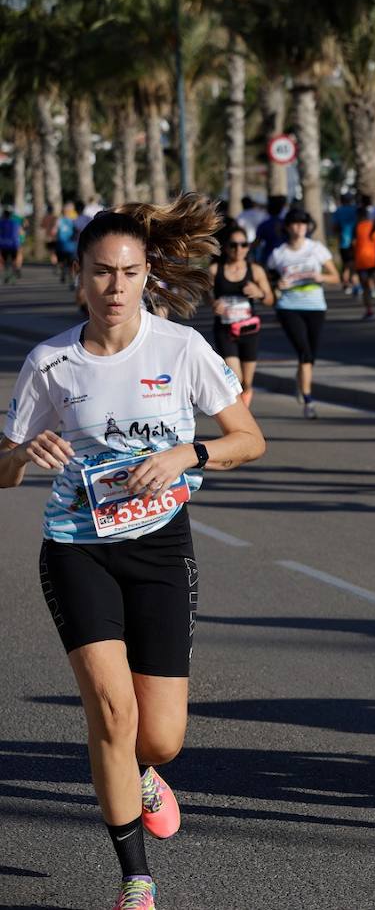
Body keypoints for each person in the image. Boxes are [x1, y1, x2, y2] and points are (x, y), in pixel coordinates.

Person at [0, 194, 266, 910]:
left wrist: (190, 450)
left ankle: (146, 773)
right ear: (78, 276)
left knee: (162, 735)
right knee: (111, 715)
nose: (115, 287)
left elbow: (249, 437)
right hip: (77, 549)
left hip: (159, 549)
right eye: (100, 272)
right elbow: (1, 465)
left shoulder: (180, 349)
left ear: (148, 273)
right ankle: (135, 881)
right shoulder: (50, 363)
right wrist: (23, 451)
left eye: (128, 272)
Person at [266, 208, 341, 419]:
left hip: (315, 306)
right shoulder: (278, 254)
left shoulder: (316, 249)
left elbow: (336, 277)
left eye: (303, 224)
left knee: (310, 355)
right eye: (295, 224)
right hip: (288, 307)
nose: (300, 228)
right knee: (304, 351)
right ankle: (308, 401)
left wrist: (321, 277)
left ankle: (300, 382)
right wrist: (277, 285)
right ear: (288, 227)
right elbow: (268, 280)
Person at [211, 225, 275, 408]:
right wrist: (214, 303)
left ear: (248, 247)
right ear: (226, 247)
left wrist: (260, 293)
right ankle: (241, 421)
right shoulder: (216, 270)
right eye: (233, 245)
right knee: (235, 378)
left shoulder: (255, 270)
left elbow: (270, 299)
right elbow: (206, 294)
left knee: (247, 382)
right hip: (225, 329)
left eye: (243, 245)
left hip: (249, 330)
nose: (239, 249)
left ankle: (244, 412)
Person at [352, 195, 375, 319]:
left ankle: (369, 310)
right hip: (374, 259)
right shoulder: (373, 226)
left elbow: (353, 243)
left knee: (365, 287)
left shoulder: (356, 227)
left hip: (361, 261)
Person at [332, 193, 360, 301]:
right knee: (352, 264)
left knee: (347, 264)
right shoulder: (355, 210)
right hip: (356, 241)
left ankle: (348, 285)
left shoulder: (338, 211)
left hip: (343, 241)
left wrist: (339, 234)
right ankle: (354, 285)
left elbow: (335, 227)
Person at [250, 195, 287, 265]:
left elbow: (256, 242)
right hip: (285, 257)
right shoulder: (286, 224)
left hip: (268, 255)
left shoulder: (264, 225)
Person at [55, 202, 79, 286]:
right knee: (71, 263)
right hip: (71, 245)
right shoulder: (74, 220)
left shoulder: (59, 220)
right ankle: (71, 279)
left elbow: (54, 231)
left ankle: (62, 272)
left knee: (61, 261)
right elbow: (77, 231)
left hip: (61, 244)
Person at [0, 204, 25, 283]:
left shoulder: (1, 223)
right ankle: (13, 276)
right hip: (14, 245)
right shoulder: (15, 223)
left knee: (2, 261)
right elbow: (21, 233)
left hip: (3, 245)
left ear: (3, 215)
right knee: (14, 261)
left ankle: (5, 276)